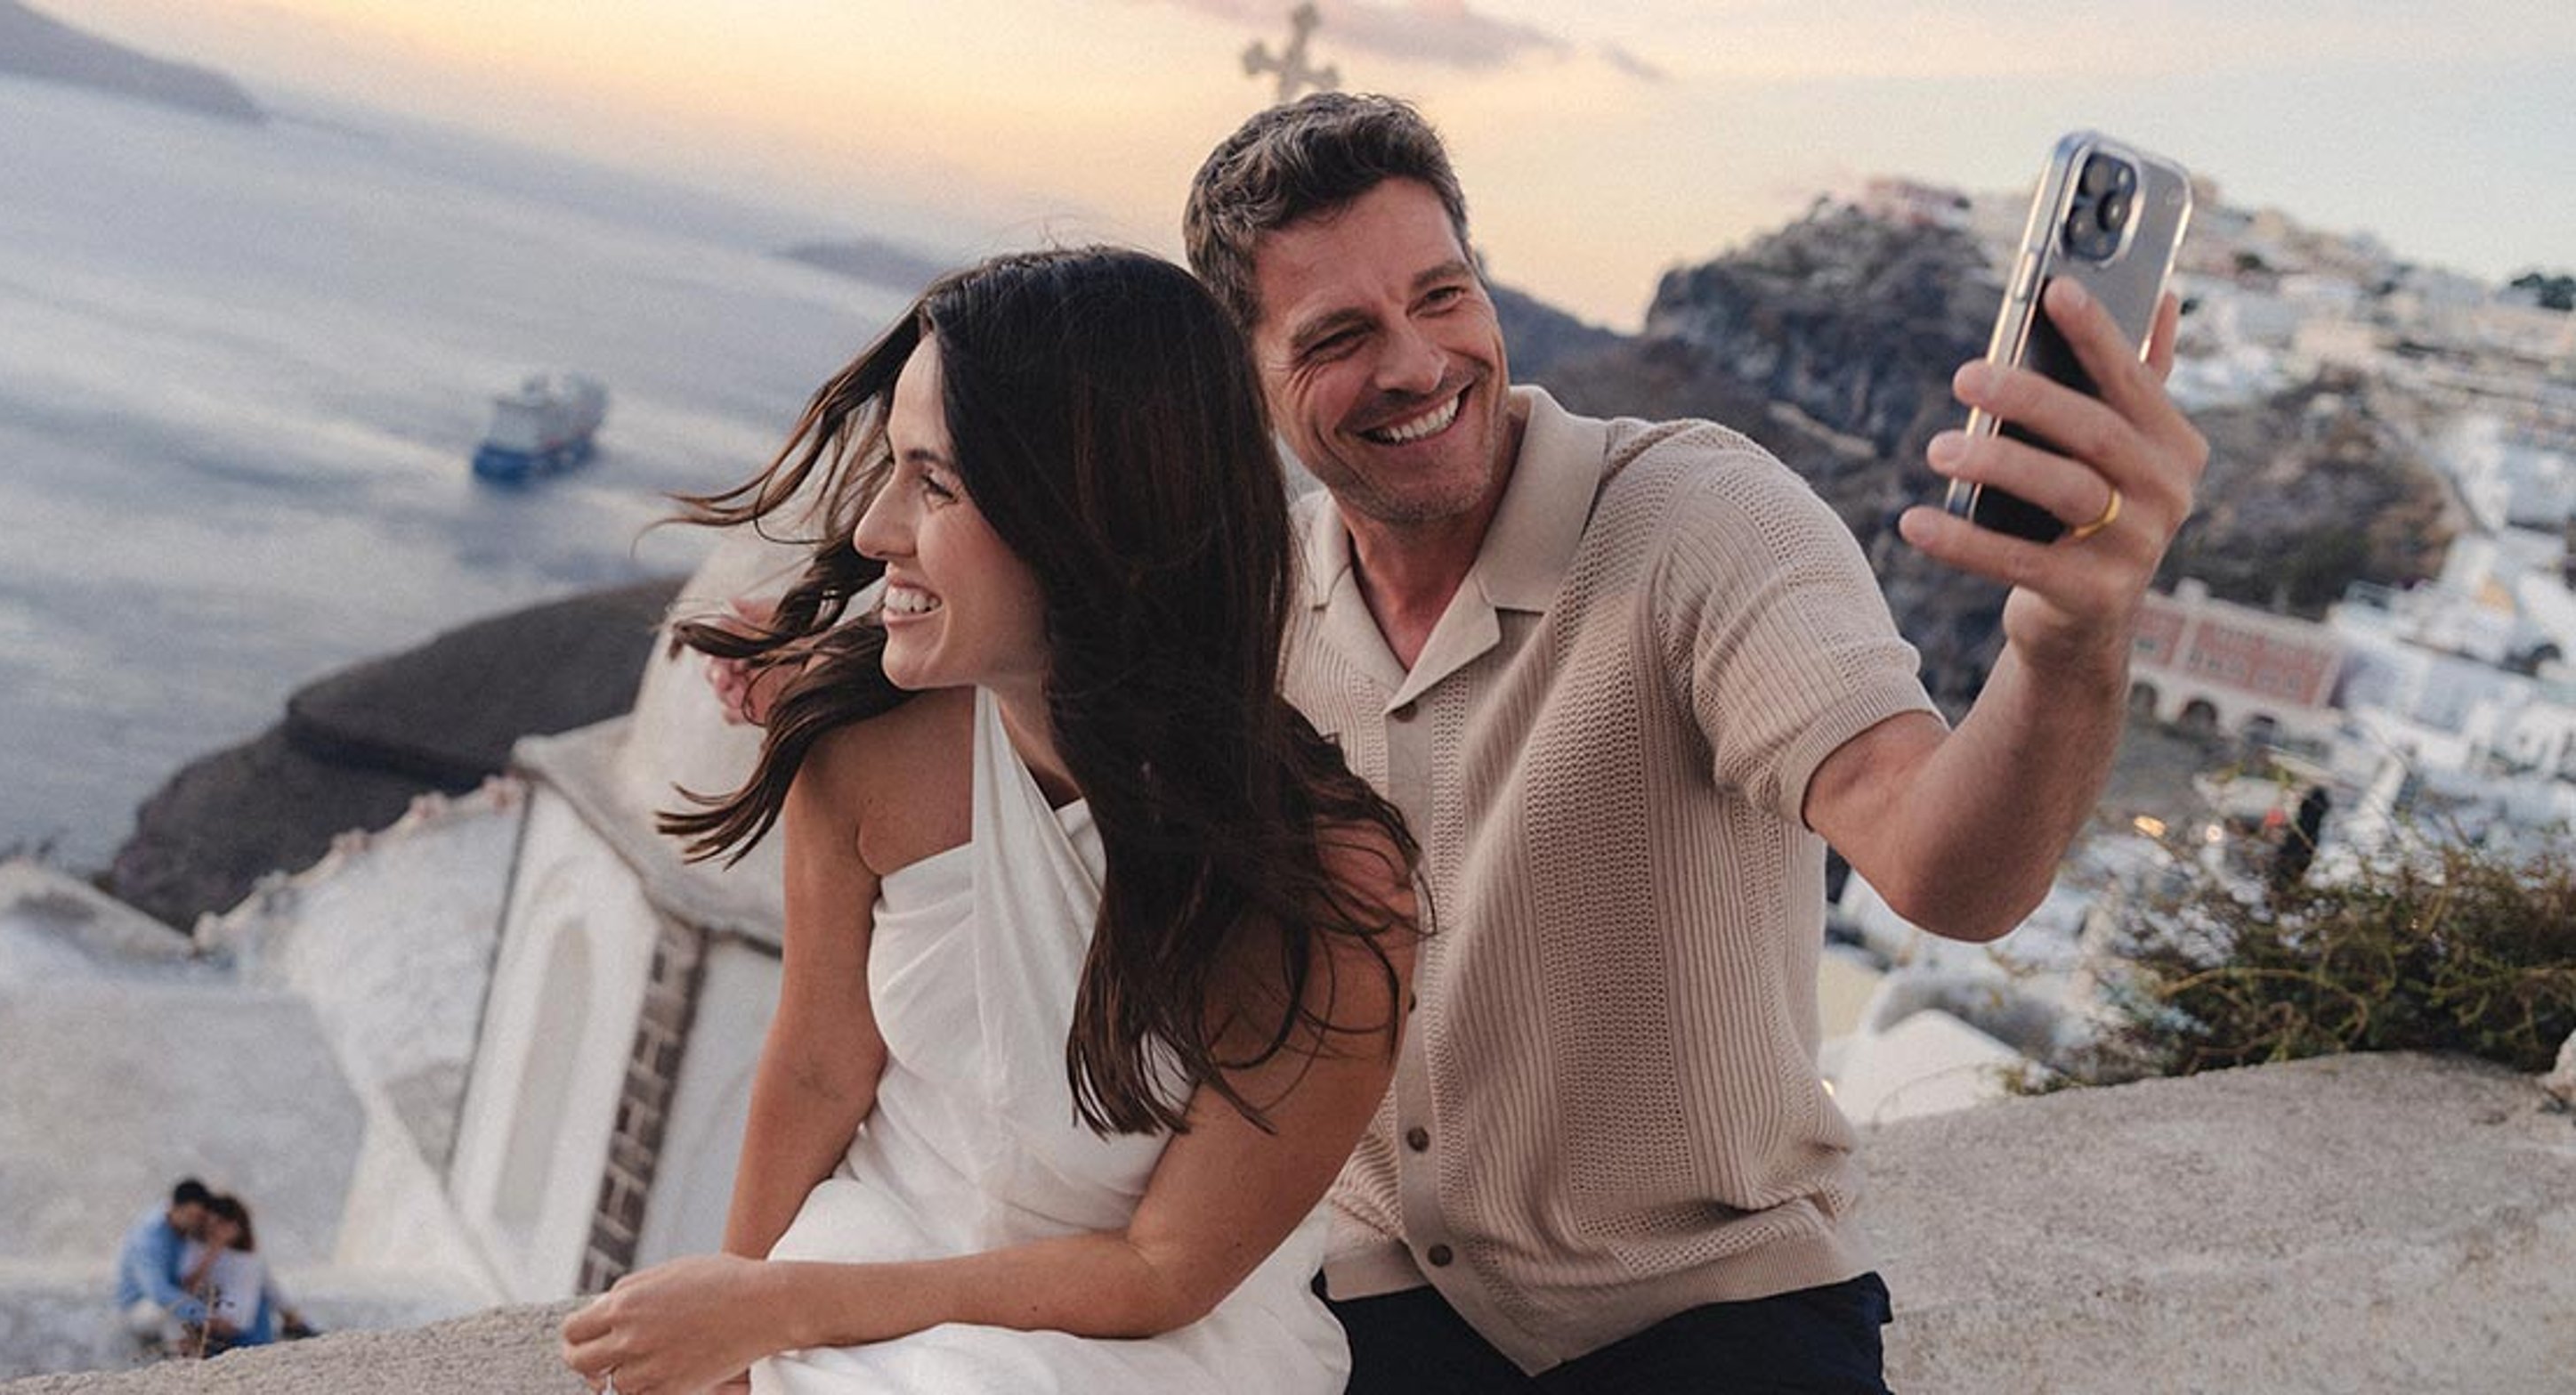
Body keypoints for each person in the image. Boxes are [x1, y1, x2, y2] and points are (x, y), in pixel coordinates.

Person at [1171, 94, 2210, 1391]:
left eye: (1443, 296)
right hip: (1376, 1293)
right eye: (1338, 334)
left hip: (1709, 1312)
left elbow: (1946, 868)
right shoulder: (1261, 600)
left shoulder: (1701, 519)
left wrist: (2069, 640)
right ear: (1244, 379)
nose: (1418, 362)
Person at [558, 247, 1422, 1395]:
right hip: (879, 1242)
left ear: (1094, 520)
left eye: (936, 482)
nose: (872, 530)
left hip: (1135, 1341)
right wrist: (735, 1315)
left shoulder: (1329, 895)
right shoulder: (863, 743)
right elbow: (820, 1064)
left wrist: (787, 1306)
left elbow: (1163, 1271)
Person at [115, 1177, 215, 1350]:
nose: (194, 1221)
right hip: (139, 1305)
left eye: (198, 1217)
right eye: (190, 1215)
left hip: (177, 1297)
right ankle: (183, 1362)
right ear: (174, 1208)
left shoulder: (186, 1231)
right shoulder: (148, 1238)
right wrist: (204, 1316)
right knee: (172, 1310)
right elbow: (157, 1290)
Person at [177, 1192, 279, 1355]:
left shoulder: (250, 1258)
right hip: (213, 1327)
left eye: (223, 1224)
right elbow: (188, 1287)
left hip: (247, 1325)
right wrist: (213, 1251)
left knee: (260, 1302)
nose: (219, 1230)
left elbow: (272, 1289)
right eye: (214, 1224)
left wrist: (292, 1315)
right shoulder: (196, 1250)